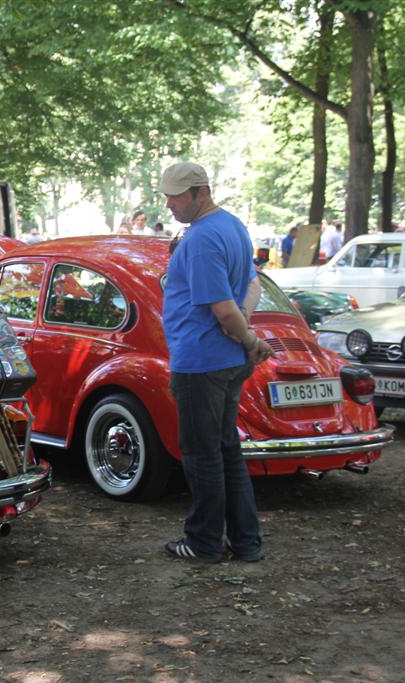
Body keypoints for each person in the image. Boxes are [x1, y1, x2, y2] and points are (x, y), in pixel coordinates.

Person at [158, 161, 273, 563]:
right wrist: (249, 341)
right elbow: (252, 285)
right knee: (226, 451)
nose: (169, 203)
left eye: (175, 196)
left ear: (200, 193)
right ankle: (246, 542)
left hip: (201, 361)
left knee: (202, 454)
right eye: (166, 195)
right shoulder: (233, 226)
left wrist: (248, 337)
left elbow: (224, 309)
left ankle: (203, 542)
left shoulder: (203, 238)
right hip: (223, 359)